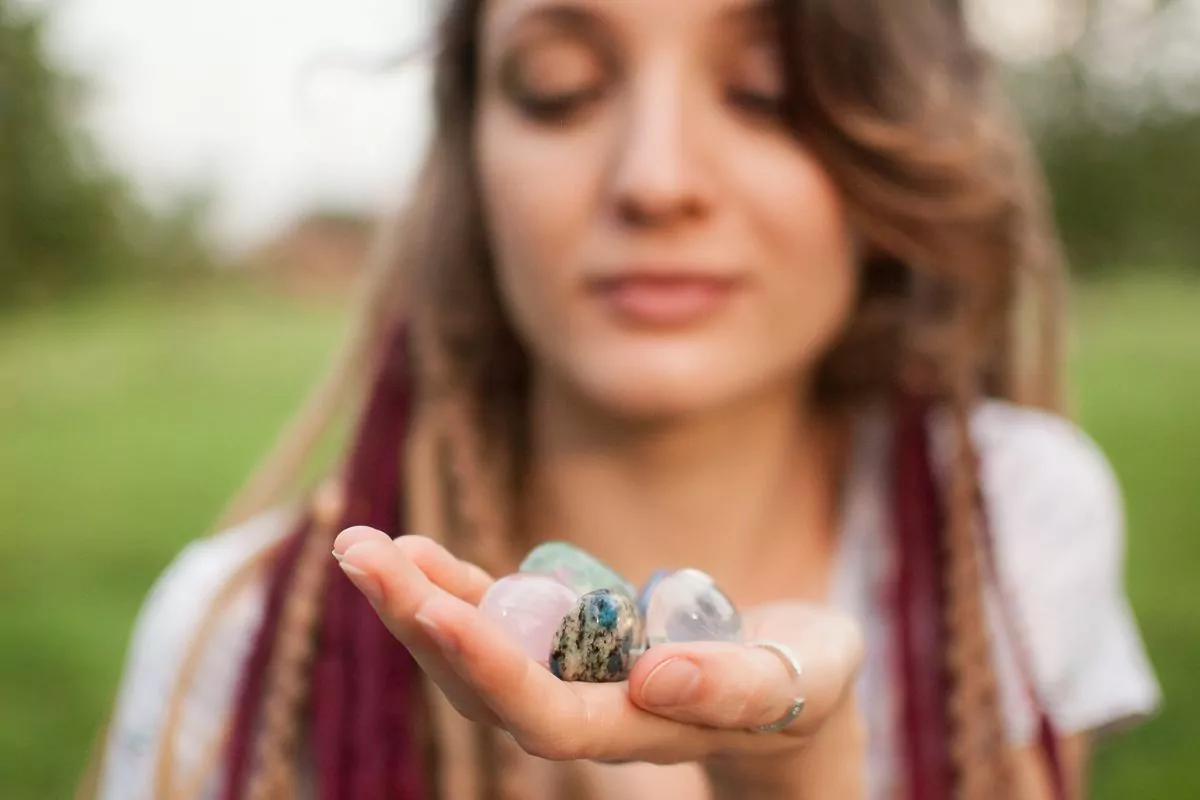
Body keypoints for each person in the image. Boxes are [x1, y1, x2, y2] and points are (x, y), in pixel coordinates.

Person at [89, 0, 1161, 798]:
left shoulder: (1012, 519)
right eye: (559, 86)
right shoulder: (243, 635)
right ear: (470, 156)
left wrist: (806, 774)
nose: (654, 178)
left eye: (765, 91)